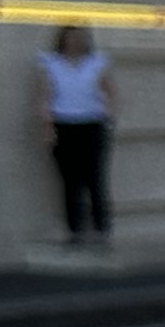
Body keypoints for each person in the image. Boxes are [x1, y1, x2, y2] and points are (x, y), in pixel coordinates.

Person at [37, 25, 112, 244]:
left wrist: (108, 115)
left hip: (91, 123)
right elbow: (45, 96)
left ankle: (101, 229)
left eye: (79, 38)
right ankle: (75, 231)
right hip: (64, 123)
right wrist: (48, 127)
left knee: (95, 178)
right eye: (70, 38)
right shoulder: (51, 63)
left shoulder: (96, 62)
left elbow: (110, 91)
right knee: (70, 181)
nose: (74, 42)